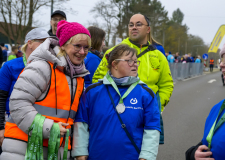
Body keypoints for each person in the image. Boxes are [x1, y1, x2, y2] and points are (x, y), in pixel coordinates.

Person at [1, 20, 90, 159]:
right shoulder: (43, 67)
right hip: (23, 149)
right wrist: (49, 128)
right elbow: (18, 104)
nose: (82, 52)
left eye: (86, 47)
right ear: (64, 45)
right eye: (77, 46)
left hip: (53, 151)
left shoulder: (77, 76)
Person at [92, 14, 174, 144]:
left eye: (138, 24)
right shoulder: (114, 52)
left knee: (145, 152)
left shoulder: (159, 55)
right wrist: (110, 104)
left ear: (148, 29)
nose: (134, 27)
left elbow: (167, 84)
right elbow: (98, 79)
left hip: (147, 115)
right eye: (131, 25)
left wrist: (156, 105)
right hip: (117, 114)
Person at [72, 44, 161, 160]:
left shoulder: (146, 94)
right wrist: (80, 152)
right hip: (97, 156)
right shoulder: (92, 92)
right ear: (114, 64)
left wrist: (147, 157)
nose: (135, 64)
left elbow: (152, 128)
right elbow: (81, 123)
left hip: (132, 157)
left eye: (136, 61)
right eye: (129, 61)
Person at [185, 35, 225, 160]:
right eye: (222, 60)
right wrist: (194, 154)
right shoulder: (218, 108)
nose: (221, 65)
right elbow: (207, 144)